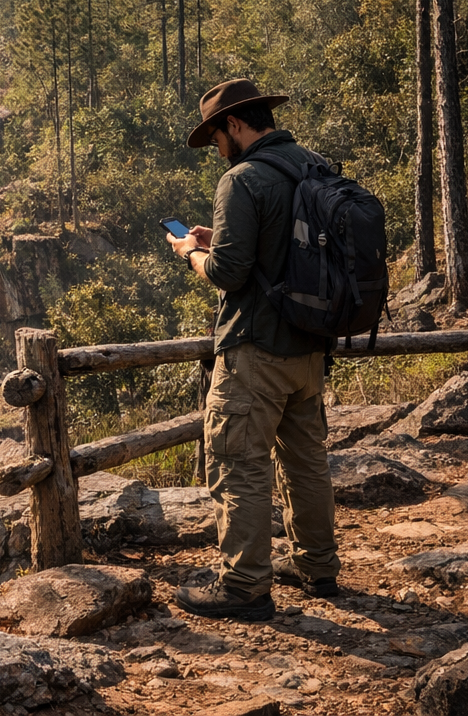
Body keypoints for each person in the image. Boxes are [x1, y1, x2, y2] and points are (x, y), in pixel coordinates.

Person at [164, 78, 341, 621]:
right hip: (310, 347)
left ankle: (243, 587)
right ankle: (317, 566)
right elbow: (285, 250)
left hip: (256, 349)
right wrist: (220, 237)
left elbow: (229, 274)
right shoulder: (314, 166)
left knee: (239, 463)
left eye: (216, 136)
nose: (215, 148)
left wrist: (190, 252)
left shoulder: (241, 180)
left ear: (235, 124)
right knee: (306, 460)